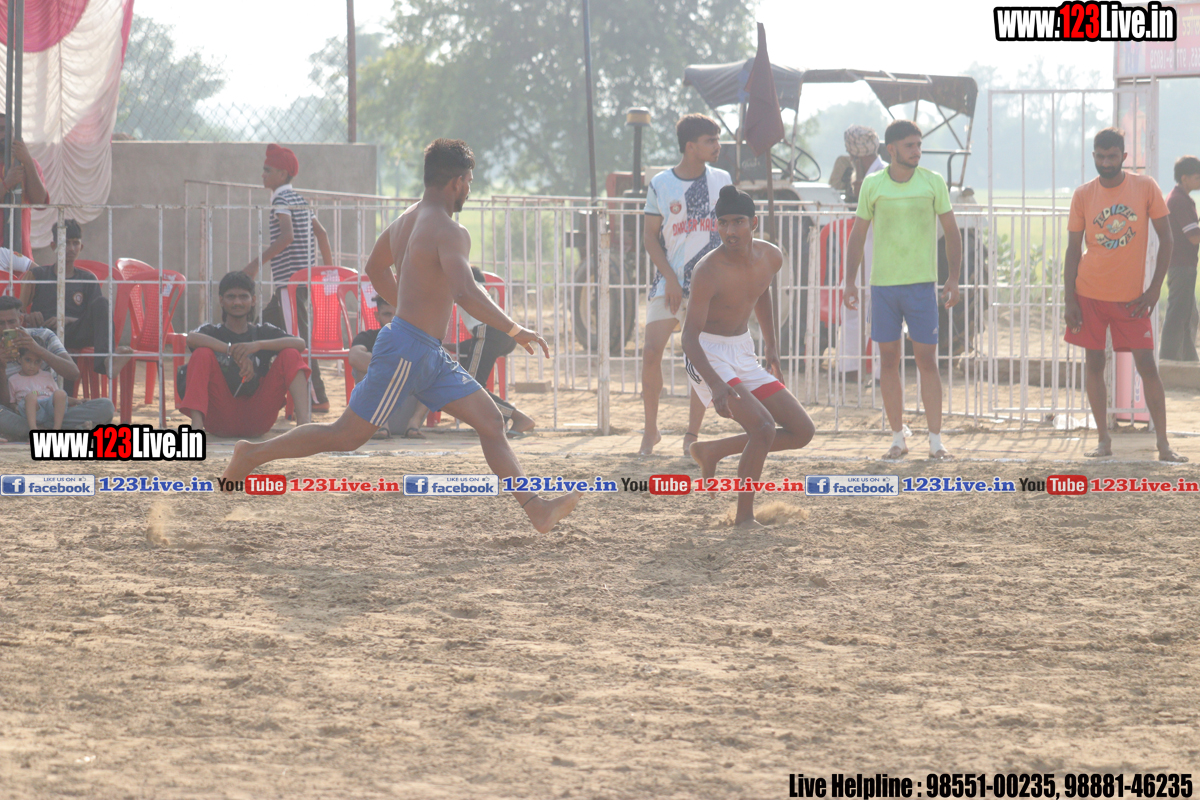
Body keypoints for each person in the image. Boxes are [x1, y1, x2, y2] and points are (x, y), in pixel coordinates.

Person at [223, 138, 581, 533]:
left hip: (426, 350)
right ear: (457, 182)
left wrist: (409, 307)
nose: (469, 189)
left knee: (491, 421)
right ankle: (251, 454)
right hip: (407, 348)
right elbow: (465, 292)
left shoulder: (406, 220)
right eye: (469, 181)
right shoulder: (450, 230)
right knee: (345, 436)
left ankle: (536, 509)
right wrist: (515, 329)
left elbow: (375, 268)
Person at [683, 186, 815, 528]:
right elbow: (688, 338)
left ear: (754, 223)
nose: (730, 230)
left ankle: (713, 450)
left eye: (738, 221)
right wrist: (716, 384)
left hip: (743, 350)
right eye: (724, 223)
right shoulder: (707, 270)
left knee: (802, 431)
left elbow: (762, 291)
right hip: (707, 353)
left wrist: (771, 347)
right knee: (763, 427)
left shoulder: (771, 257)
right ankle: (744, 517)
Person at [1064, 127, 1186, 462]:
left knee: (1147, 364)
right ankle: (1103, 440)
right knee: (1094, 363)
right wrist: (1069, 299)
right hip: (1088, 293)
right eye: (1101, 157)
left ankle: (1163, 445)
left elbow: (1167, 239)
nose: (1106, 162)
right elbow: (1073, 249)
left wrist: (1154, 288)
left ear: (1124, 157)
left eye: (1112, 156)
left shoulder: (1145, 187)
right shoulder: (1083, 195)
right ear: (1093, 156)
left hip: (1132, 298)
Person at [843, 119, 961, 461]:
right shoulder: (873, 184)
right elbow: (857, 235)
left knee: (927, 361)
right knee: (888, 361)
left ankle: (936, 441)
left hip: (922, 287)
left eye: (919, 145)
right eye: (910, 145)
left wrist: (953, 278)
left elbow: (951, 231)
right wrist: (850, 281)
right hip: (883, 287)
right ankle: (897, 438)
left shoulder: (933, 182)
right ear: (891, 149)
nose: (917, 151)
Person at [640, 113, 732, 456]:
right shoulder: (661, 183)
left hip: (709, 287)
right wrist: (671, 278)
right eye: (711, 141)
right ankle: (650, 431)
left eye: (717, 139)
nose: (717, 146)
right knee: (651, 352)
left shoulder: (722, 179)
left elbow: (732, 227)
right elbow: (650, 237)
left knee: (699, 361)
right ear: (690, 146)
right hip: (670, 282)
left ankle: (691, 435)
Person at [243, 144, 334, 412]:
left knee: (298, 338)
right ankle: (259, 385)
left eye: (267, 170)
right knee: (261, 328)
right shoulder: (300, 200)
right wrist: (328, 270)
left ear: (282, 174)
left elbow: (287, 236)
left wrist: (256, 264)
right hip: (300, 281)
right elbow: (322, 234)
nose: (263, 174)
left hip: (290, 284)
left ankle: (317, 397)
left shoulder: (281, 201)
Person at [178, 271, 312, 438]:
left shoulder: (262, 332)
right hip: (220, 418)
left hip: (258, 417)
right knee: (201, 353)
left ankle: (304, 425)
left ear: (253, 300)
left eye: (243, 296)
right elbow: (191, 339)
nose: (237, 302)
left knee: (290, 354)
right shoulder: (213, 332)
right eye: (231, 297)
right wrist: (232, 351)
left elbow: (300, 343)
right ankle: (196, 429)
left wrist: (257, 345)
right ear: (221, 300)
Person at [19, 219, 133, 389]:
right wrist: (29, 317)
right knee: (62, 389)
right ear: (53, 246)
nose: (71, 248)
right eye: (65, 243)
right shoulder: (37, 275)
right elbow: (17, 313)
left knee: (102, 303)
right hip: (45, 334)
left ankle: (106, 363)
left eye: (75, 243)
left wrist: (66, 320)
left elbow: (95, 319)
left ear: (81, 247)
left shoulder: (88, 279)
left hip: (75, 333)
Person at [0, 295, 115, 440]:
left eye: (11, 322)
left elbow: (73, 373)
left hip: (53, 411)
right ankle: (59, 430)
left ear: (21, 319)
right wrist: (1, 367)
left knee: (105, 406)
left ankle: (35, 431)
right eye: (1, 323)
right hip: (19, 413)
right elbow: (6, 403)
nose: (7, 328)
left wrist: (38, 350)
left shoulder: (44, 335)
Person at [837, 125, 885, 379]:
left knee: (877, 312)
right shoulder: (873, 174)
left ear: (855, 154)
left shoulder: (878, 177)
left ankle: (875, 372)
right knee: (856, 309)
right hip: (866, 252)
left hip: (876, 254)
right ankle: (851, 368)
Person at [349, 294, 427, 438]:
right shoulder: (368, 337)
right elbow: (354, 357)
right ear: (377, 316)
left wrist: (384, 367)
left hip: (408, 416)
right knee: (360, 367)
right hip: (373, 417)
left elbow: (445, 357)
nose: (392, 320)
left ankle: (414, 423)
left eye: (397, 315)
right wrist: (398, 366)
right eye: (387, 314)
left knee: (433, 363)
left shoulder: (417, 339)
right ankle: (381, 424)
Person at [1159, 155, 1200, 362]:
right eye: (1197, 177)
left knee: (1189, 315)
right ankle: (1168, 362)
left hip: (1182, 265)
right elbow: (1194, 236)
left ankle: (1188, 361)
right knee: (1178, 316)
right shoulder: (1180, 201)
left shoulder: (1179, 198)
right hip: (1182, 266)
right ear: (1185, 178)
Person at [0, 114, 49, 257]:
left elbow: (40, 203)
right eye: (0, 129)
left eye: (7, 129)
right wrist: (6, 184)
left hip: (21, 253)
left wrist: (27, 161)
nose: (4, 135)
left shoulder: (28, 164)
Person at [9, 347, 75, 430]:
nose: (32, 366)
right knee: (31, 396)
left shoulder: (47, 375)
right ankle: (33, 429)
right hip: (30, 410)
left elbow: (59, 398)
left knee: (61, 393)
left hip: (49, 408)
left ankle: (56, 429)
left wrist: (77, 401)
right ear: (19, 359)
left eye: (37, 361)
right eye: (28, 360)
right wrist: (15, 407)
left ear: (41, 362)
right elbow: (11, 402)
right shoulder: (13, 380)